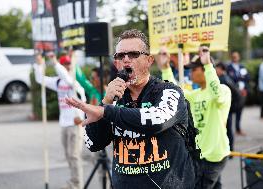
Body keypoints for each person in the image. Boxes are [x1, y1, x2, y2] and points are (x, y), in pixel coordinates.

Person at [65, 29, 196, 189]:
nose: (126, 60)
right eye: (120, 56)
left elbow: (157, 120)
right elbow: (92, 143)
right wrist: (106, 101)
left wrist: (106, 111)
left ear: (149, 60)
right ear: (116, 63)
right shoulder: (112, 100)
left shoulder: (169, 91)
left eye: (133, 54)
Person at [158, 46, 231, 189]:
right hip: (200, 155)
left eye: (194, 70)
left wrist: (208, 65)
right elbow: (174, 92)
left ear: (204, 70)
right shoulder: (195, 94)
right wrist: (166, 68)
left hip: (213, 156)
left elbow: (217, 95)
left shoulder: (223, 90)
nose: (190, 73)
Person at [33, 53, 86, 189]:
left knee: (74, 155)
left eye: (69, 63)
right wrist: (39, 64)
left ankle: (77, 185)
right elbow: (40, 79)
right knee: (68, 155)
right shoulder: (57, 82)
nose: (68, 66)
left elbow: (66, 78)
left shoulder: (73, 81)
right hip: (64, 123)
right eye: (65, 64)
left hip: (76, 123)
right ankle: (73, 182)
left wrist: (55, 63)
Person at [215, 62, 242, 152]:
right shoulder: (226, 78)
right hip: (229, 107)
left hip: (227, 108)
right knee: (228, 129)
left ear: (221, 69)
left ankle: (230, 149)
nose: (215, 70)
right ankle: (230, 149)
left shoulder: (223, 80)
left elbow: (235, 94)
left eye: (217, 69)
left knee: (227, 129)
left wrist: (231, 105)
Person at [226, 51, 250, 136]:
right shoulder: (228, 68)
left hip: (242, 93)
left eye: (236, 56)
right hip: (233, 94)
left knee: (240, 111)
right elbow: (229, 80)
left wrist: (245, 89)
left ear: (239, 57)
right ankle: (229, 130)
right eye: (233, 56)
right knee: (231, 112)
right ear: (231, 58)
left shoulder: (242, 66)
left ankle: (238, 128)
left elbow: (247, 78)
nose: (235, 58)